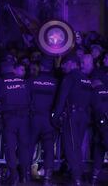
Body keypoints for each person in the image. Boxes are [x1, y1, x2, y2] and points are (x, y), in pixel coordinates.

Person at [51, 53, 92, 186]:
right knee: (78, 147)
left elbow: (61, 99)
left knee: (70, 148)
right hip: (84, 116)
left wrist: (55, 117)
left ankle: (77, 179)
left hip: (72, 116)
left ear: (72, 63)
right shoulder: (86, 79)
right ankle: (79, 176)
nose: (62, 67)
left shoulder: (69, 78)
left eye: (64, 63)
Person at [28, 56, 57, 186]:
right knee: (49, 147)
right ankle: (47, 178)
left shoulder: (32, 81)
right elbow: (58, 100)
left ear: (41, 67)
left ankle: (25, 175)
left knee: (29, 146)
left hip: (34, 118)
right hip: (48, 119)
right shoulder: (55, 82)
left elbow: (26, 98)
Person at [0, 61, 31, 185]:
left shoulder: (2, 83)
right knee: (24, 148)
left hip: (9, 119)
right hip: (24, 119)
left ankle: (14, 176)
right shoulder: (25, 83)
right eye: (21, 70)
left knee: (10, 148)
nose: (23, 72)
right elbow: (30, 99)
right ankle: (24, 176)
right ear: (14, 70)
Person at [90, 73, 108, 186]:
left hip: (100, 127)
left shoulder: (93, 93)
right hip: (105, 125)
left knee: (98, 153)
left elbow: (93, 110)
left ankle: (93, 179)